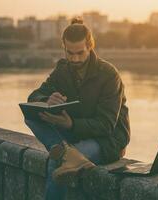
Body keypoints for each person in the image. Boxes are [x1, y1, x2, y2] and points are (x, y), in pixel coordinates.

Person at [24, 17, 130, 200]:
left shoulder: (109, 74)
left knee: (56, 163)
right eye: (70, 53)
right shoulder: (62, 69)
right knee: (32, 116)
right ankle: (67, 152)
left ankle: (63, 152)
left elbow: (106, 125)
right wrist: (47, 99)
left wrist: (70, 124)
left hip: (107, 141)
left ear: (90, 46)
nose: (75, 59)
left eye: (80, 53)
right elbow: (34, 97)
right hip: (75, 136)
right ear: (64, 48)